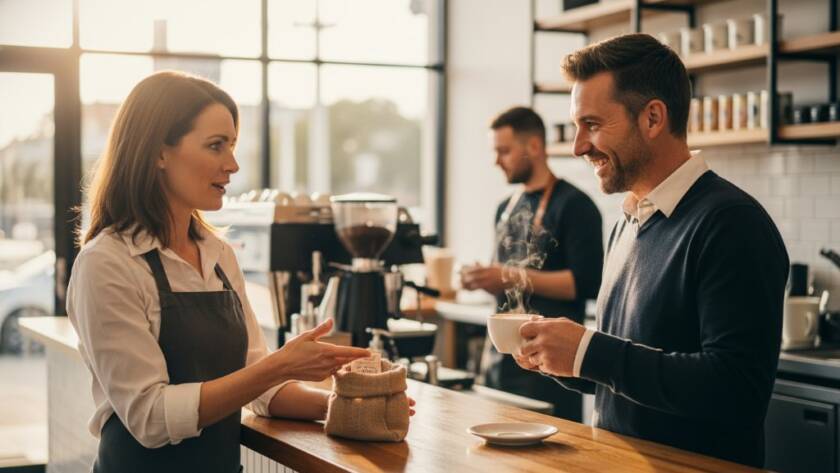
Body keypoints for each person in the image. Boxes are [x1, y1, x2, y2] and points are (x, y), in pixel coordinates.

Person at [66, 71, 413, 473]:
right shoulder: (108, 263)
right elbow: (150, 418)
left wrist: (353, 404)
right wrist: (280, 364)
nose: (232, 165)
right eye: (215, 146)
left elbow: (260, 389)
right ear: (158, 152)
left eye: (231, 146)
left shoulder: (218, 255)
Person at [512, 34, 788, 468]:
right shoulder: (628, 220)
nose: (579, 146)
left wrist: (589, 352)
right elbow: (628, 374)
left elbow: (736, 389)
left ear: (653, 118)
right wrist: (560, 356)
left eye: (594, 125)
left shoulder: (732, 223)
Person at [461, 106, 603, 421]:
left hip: (550, 370)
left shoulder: (576, 206)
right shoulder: (504, 207)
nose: (496, 161)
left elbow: (586, 283)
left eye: (504, 151)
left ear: (534, 147)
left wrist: (509, 275)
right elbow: (503, 280)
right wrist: (482, 278)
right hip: (498, 363)